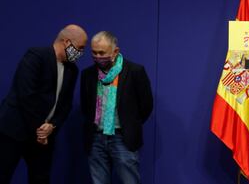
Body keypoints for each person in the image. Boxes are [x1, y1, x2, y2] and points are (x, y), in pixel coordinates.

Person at [0, 24, 88, 184]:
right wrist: (41, 128)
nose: (81, 53)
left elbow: (65, 104)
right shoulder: (36, 56)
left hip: (45, 135)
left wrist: (52, 126)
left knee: (41, 178)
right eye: (80, 48)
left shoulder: (72, 70)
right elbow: (26, 95)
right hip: (15, 129)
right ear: (67, 42)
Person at [81, 31, 153, 184]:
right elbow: (85, 106)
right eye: (94, 52)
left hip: (123, 138)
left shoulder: (135, 71)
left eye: (102, 52)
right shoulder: (87, 74)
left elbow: (146, 106)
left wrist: (130, 125)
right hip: (96, 139)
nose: (98, 56)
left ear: (115, 51)